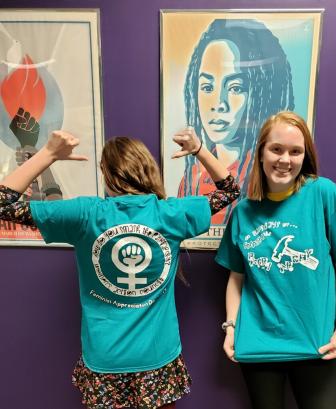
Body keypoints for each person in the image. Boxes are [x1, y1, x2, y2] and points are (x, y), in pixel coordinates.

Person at [0, 114, 240, 409]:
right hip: (158, 358)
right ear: (147, 169)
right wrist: (200, 149)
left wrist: (48, 154)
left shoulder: (85, 214)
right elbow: (231, 190)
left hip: (105, 359)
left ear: (106, 173)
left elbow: (3, 203)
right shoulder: (172, 214)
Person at [215, 111, 336, 409]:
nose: (285, 159)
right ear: (261, 153)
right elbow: (236, 277)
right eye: (276, 149)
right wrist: (231, 328)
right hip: (258, 346)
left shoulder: (323, 193)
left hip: (317, 344)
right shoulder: (244, 212)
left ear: (304, 156)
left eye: (295, 151)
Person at [179, 18, 294, 224]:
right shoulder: (192, 177)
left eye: (235, 88)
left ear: (260, 95)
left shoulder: (270, 174)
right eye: (207, 87)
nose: (218, 103)